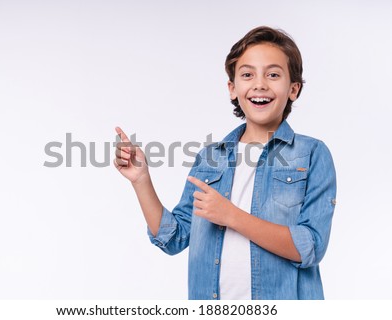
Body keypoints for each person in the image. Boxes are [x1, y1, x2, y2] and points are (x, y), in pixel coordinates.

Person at [114, 26, 337, 300]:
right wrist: (141, 180)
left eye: (273, 74)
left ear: (293, 89)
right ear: (233, 88)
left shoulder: (312, 153)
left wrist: (231, 216)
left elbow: (310, 247)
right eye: (247, 75)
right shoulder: (211, 158)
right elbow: (174, 238)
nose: (259, 84)